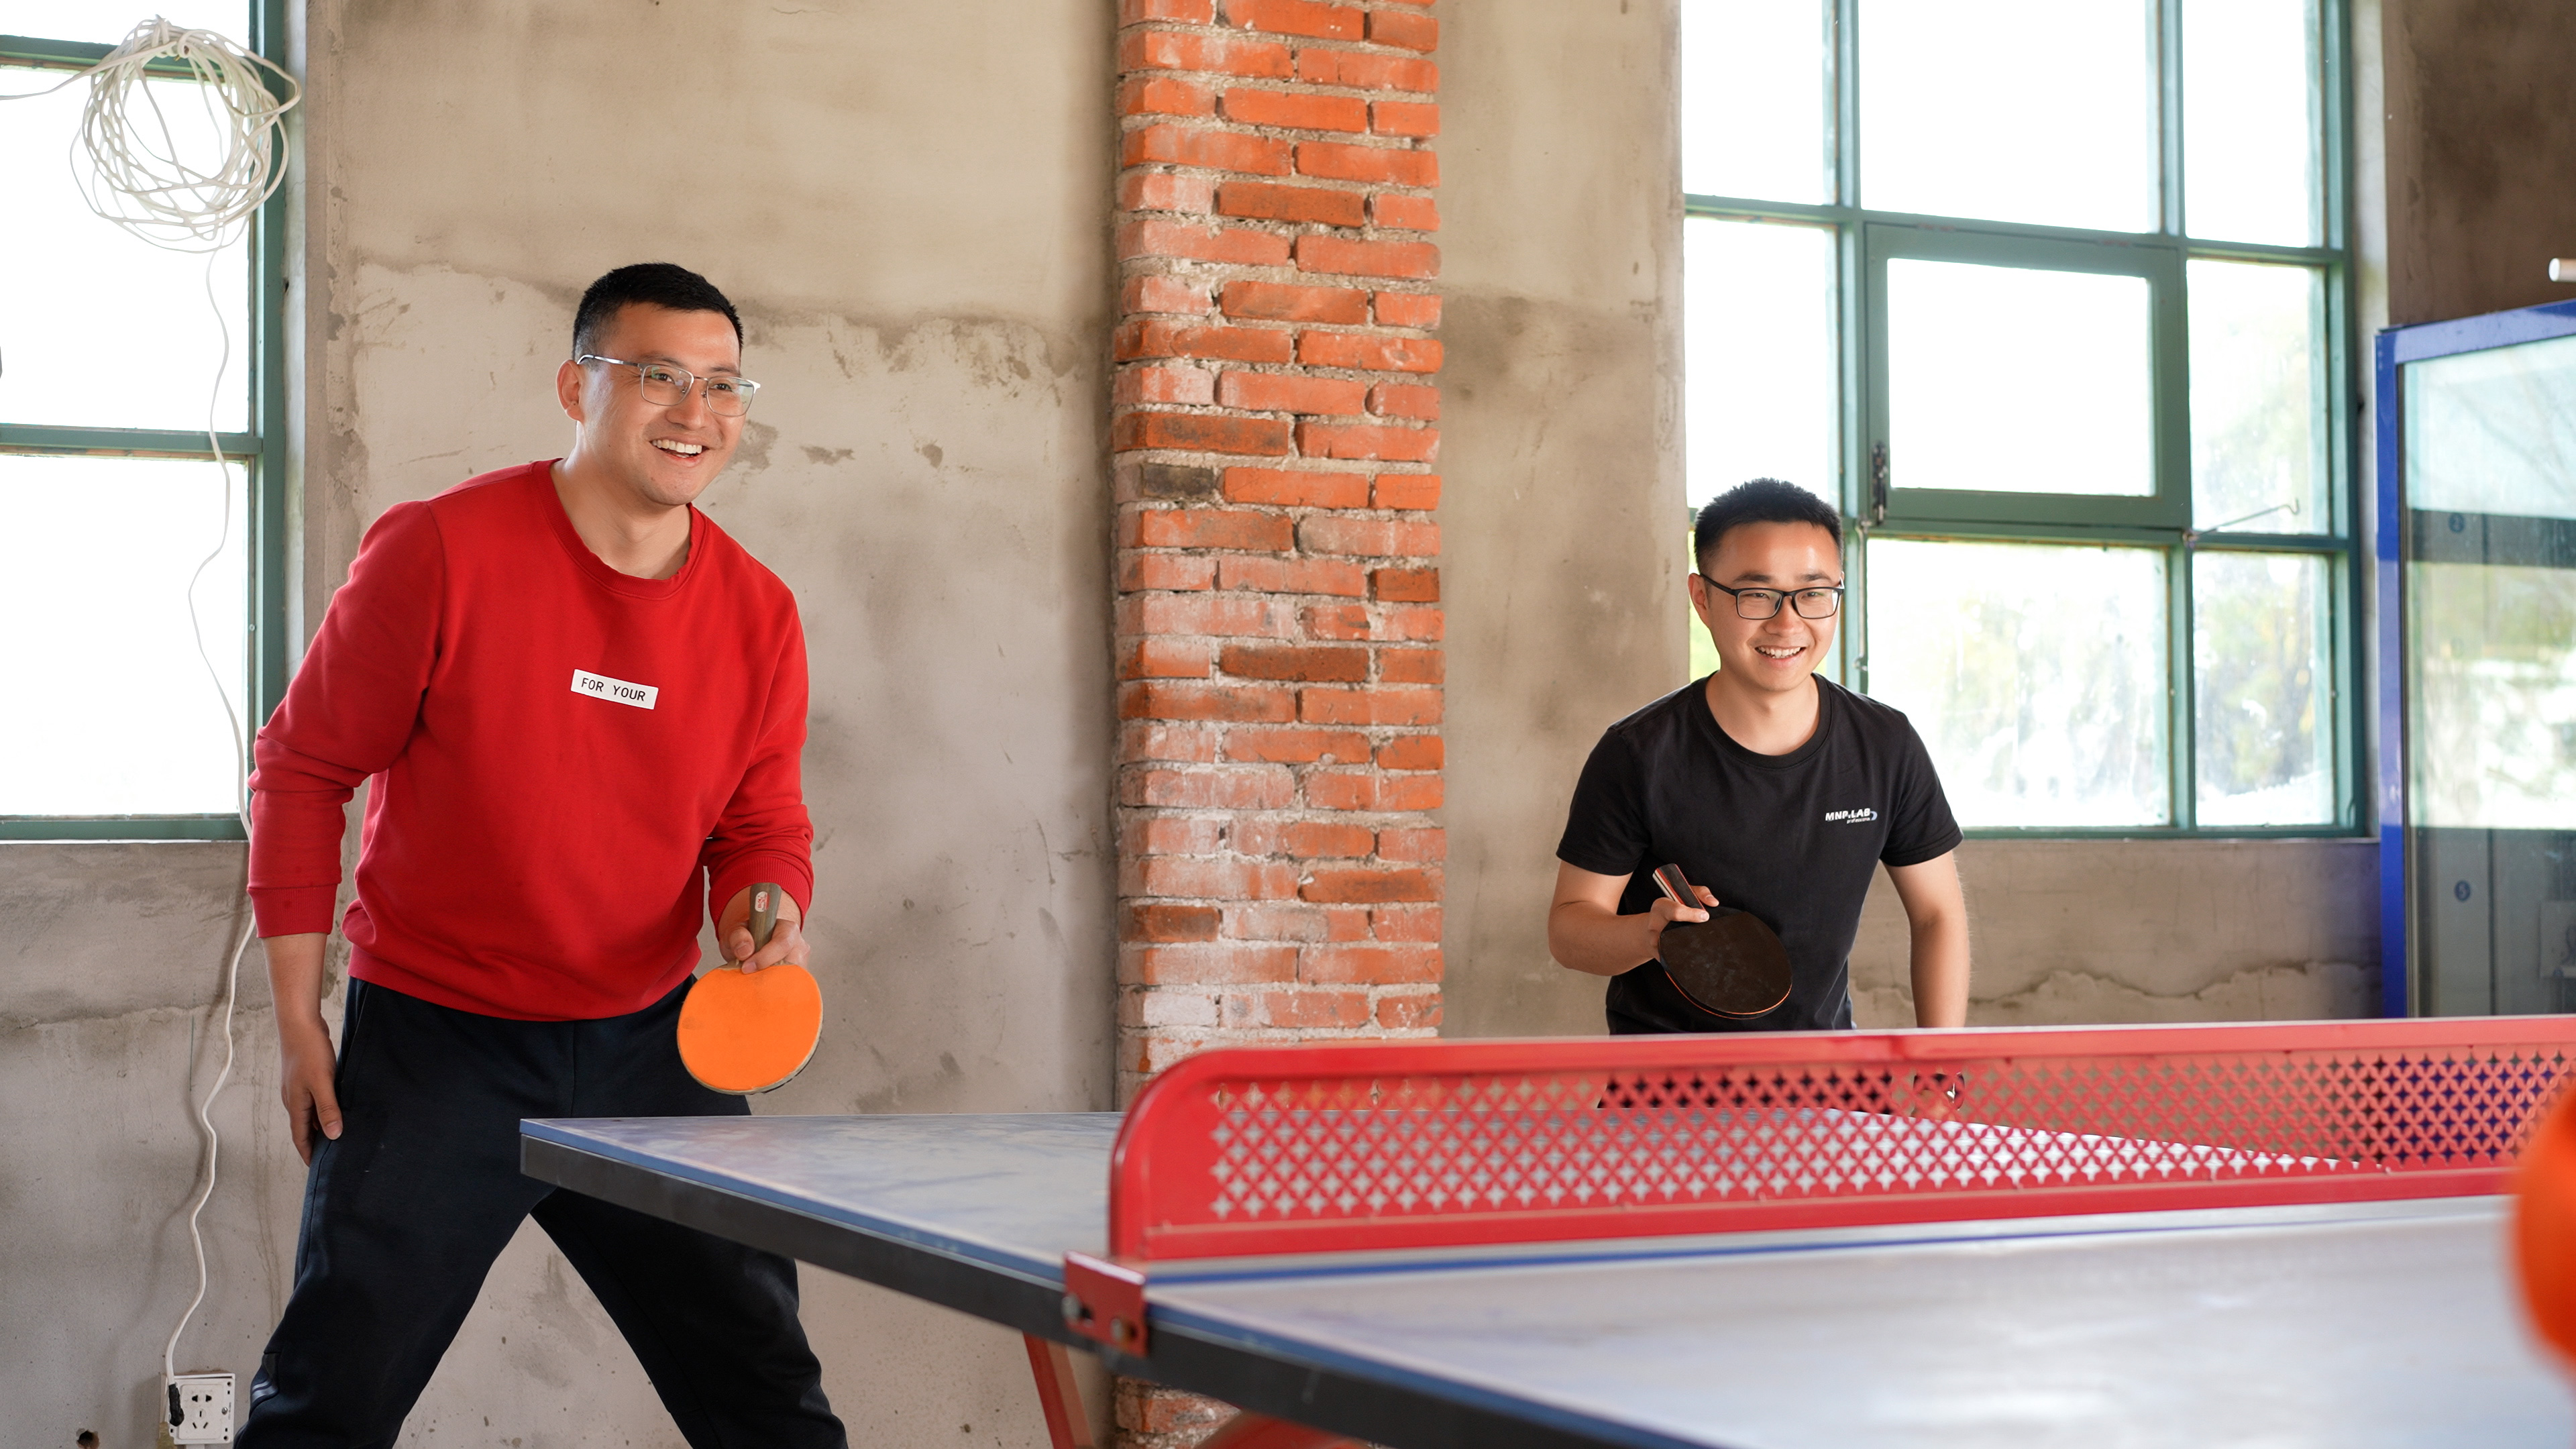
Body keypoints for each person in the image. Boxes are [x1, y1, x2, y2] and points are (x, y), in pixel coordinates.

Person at [238, 263, 846, 1446]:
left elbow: (760, 824)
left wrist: (763, 907)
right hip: (438, 1047)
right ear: (578, 386)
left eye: (723, 385)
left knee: (769, 1398)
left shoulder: (759, 611)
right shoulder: (439, 549)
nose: (696, 411)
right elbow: (303, 769)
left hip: (654, 1049)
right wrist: (301, 1018)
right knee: (328, 1402)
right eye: (657, 375)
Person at [1548, 478, 1970, 1033]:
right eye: (1756, 594)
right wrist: (1649, 934)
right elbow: (1570, 930)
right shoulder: (1637, 754)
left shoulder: (1885, 744)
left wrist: (1941, 1071)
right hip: (1663, 1082)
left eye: (1813, 593)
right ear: (1703, 598)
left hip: (1824, 1078)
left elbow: (1938, 915)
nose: (1787, 622)